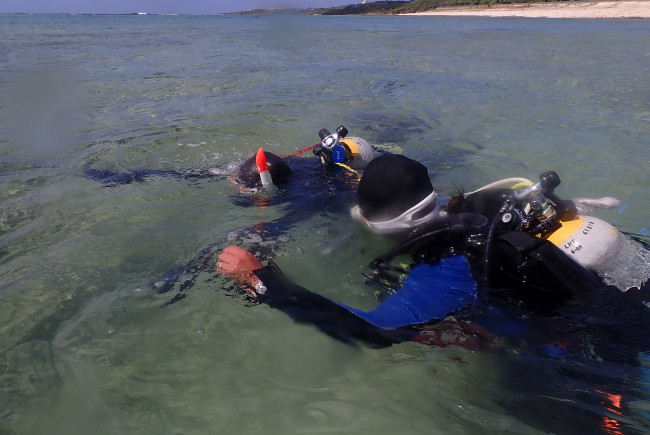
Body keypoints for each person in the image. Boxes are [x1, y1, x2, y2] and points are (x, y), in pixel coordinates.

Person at [216, 154, 649, 346]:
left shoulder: (447, 271)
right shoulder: (484, 207)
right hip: (623, 291)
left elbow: (374, 331)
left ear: (370, 223)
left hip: (599, 341)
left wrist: (265, 283)